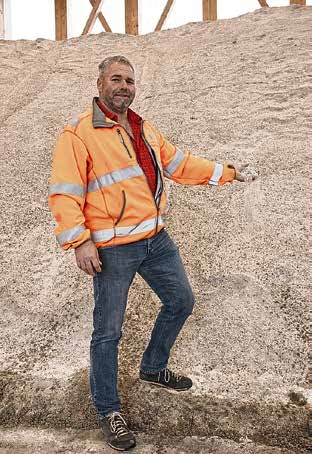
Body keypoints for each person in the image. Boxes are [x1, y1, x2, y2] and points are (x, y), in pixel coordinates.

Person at [48, 55, 254, 451]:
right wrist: (79, 242)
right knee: (107, 333)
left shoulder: (142, 128)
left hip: (154, 239)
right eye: (116, 79)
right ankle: (109, 411)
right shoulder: (77, 134)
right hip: (112, 248)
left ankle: (153, 368)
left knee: (181, 301)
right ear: (100, 83)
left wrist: (228, 171)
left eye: (129, 80)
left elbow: (179, 164)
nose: (123, 86)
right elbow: (64, 192)